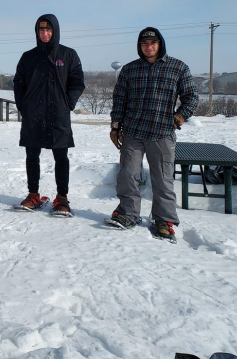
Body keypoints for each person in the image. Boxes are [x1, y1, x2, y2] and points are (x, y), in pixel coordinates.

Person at [107, 27, 198, 242]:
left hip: (162, 133)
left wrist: (181, 117)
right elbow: (119, 100)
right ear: (139, 46)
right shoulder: (130, 70)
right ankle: (128, 214)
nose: (148, 47)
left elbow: (192, 96)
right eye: (144, 44)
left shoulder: (177, 68)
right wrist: (115, 127)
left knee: (163, 179)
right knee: (128, 175)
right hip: (133, 132)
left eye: (152, 43)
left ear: (160, 44)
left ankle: (164, 220)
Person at [13, 14, 85, 215]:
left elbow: (77, 82)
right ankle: (33, 194)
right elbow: (18, 82)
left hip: (58, 115)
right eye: (41, 30)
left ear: (55, 31)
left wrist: (67, 103)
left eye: (48, 30)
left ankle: (62, 198)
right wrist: (23, 105)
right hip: (33, 115)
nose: (45, 33)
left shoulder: (68, 55)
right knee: (31, 156)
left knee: (61, 156)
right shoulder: (28, 56)